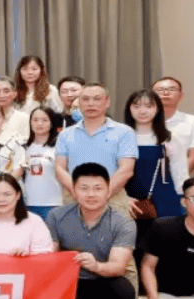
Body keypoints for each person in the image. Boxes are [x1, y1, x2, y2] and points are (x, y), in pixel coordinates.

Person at [45, 163, 137, 299]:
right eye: (84, 188)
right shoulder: (56, 216)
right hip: (68, 283)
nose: (91, 194)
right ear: (73, 190)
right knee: (45, 287)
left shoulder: (123, 223)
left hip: (102, 282)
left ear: (108, 190)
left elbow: (118, 266)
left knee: (123, 290)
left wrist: (96, 266)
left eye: (98, 188)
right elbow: (50, 257)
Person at [55, 83, 137, 215]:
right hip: (74, 200)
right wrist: (80, 194)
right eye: (85, 99)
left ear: (107, 101)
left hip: (113, 199)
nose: (90, 103)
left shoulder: (124, 132)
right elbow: (60, 169)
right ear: (79, 102)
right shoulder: (65, 134)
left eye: (97, 99)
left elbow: (126, 170)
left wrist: (101, 195)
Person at [125, 90, 189, 227]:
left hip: (165, 197)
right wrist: (122, 198)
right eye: (136, 106)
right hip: (129, 198)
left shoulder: (170, 138)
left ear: (158, 109)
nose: (142, 111)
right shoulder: (121, 137)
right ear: (129, 109)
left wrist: (184, 199)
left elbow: (180, 172)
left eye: (149, 106)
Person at [0, 174, 54, 255]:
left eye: (7, 194)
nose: (0, 199)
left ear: (18, 195)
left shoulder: (34, 222)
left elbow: (44, 258)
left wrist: (26, 257)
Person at [153, 77, 194, 173]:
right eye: (160, 90)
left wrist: (177, 177)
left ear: (181, 95)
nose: (166, 93)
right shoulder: (140, 122)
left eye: (172, 89)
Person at [22, 107, 64, 221]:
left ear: (51, 123)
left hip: (52, 203)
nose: (39, 124)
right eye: (35, 120)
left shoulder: (59, 146)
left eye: (45, 120)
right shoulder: (23, 146)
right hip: (28, 203)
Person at [0, 77, 29, 145]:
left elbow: (26, 146)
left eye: (6, 91)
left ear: (14, 94)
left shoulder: (24, 118)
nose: (1, 95)